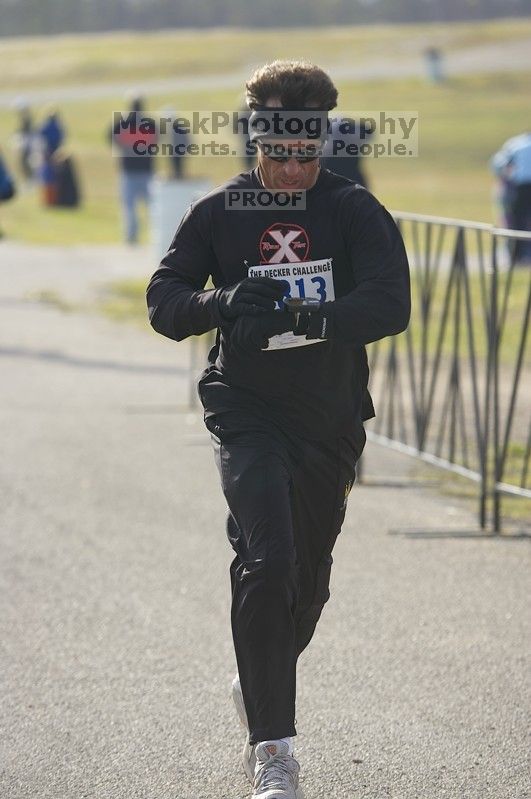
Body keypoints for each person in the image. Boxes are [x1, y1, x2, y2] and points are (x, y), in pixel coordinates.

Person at [147, 60, 410, 799]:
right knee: (266, 560)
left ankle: (260, 675)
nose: (292, 167)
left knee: (304, 588)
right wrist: (220, 302)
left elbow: (390, 305)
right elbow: (164, 301)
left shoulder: (353, 210)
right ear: (254, 140)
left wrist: (307, 316)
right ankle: (274, 751)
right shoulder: (218, 212)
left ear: (322, 142)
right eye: (277, 152)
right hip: (247, 410)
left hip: (326, 417)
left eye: (306, 152)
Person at [110, 94, 155, 244]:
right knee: (151, 206)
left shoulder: (123, 122)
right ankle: (153, 236)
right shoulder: (149, 123)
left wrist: (124, 147)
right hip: (145, 170)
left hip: (130, 170)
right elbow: (157, 139)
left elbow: (111, 137)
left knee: (130, 207)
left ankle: (132, 237)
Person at [491, 131, 531, 262]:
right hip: (521, 187)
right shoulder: (517, 144)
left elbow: (498, 165)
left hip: (519, 187)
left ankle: (516, 255)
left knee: (517, 222)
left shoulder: (515, 144)